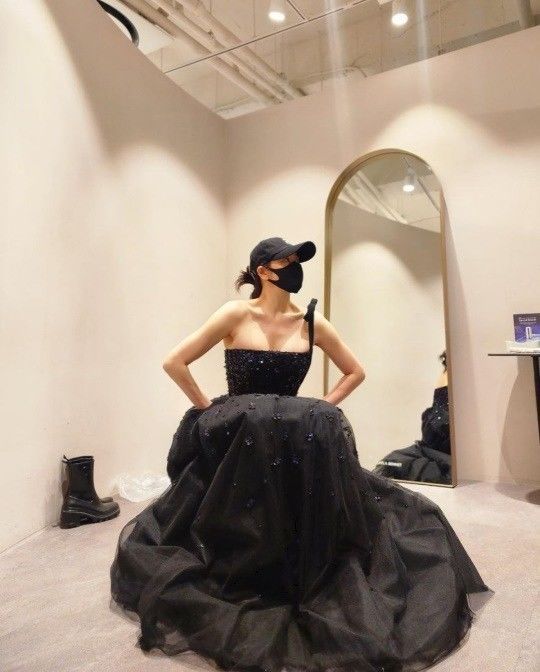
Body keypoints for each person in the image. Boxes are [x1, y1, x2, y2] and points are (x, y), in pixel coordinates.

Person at [109, 237, 492, 672]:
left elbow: (355, 371)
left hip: (292, 440)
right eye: (286, 260)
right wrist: (206, 408)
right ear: (262, 271)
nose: (294, 266)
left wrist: (322, 406)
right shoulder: (236, 313)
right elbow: (175, 362)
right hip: (243, 440)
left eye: (297, 260)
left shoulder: (311, 322)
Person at [373, 351, 452, 484]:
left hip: (445, 458)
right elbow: (436, 426)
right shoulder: (447, 375)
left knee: (395, 464)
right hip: (432, 450)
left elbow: (439, 426)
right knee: (392, 463)